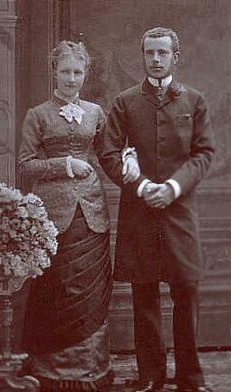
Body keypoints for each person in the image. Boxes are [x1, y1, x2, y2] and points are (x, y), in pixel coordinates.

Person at [97, 27, 215, 392]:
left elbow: (204, 153)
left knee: (187, 295)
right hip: (140, 211)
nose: (156, 59)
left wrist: (173, 187)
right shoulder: (125, 101)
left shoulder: (194, 101)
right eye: (150, 53)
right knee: (144, 298)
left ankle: (190, 378)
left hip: (180, 213)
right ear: (143, 56)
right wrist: (145, 186)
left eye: (163, 53)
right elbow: (109, 153)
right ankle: (151, 376)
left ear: (175, 57)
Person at [18, 40, 119, 392]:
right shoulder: (38, 114)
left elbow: (108, 156)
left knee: (90, 292)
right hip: (53, 216)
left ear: (85, 73)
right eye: (65, 72)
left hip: (92, 212)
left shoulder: (95, 112)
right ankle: (54, 372)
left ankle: (91, 369)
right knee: (58, 290)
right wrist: (65, 165)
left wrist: (133, 166)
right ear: (54, 73)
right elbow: (25, 165)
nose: (71, 79)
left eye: (78, 72)